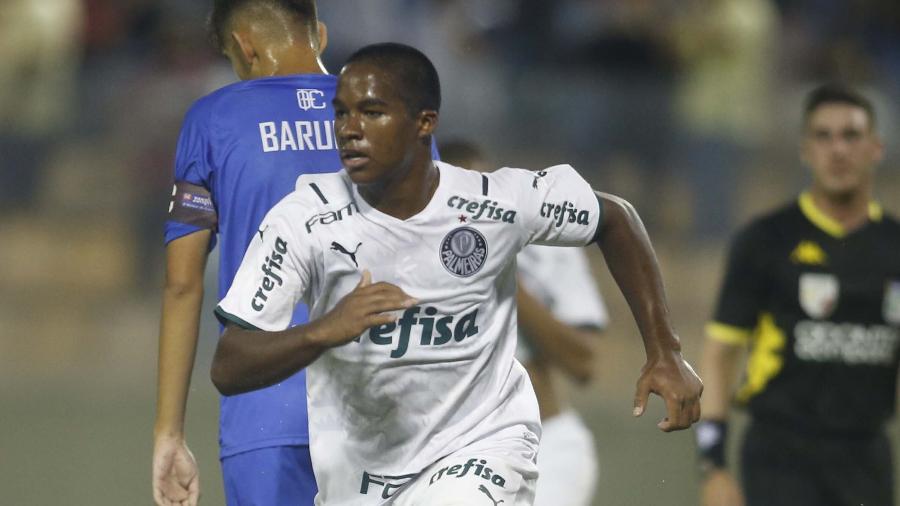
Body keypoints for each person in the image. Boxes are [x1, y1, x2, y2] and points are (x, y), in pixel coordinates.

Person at [212, 42, 702, 505]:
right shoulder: (303, 219)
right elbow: (230, 365)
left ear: (424, 122)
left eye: (372, 112)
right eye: (341, 112)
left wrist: (665, 350)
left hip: (483, 447)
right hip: (360, 473)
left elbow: (615, 218)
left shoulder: (495, 203)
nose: (349, 129)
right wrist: (323, 331)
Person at [153, 1, 337, 504]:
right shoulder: (390, 111)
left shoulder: (214, 119)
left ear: (246, 47)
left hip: (267, 410)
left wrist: (169, 433)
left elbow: (183, 282)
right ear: (318, 35)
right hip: (390, 413)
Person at [696, 83, 900, 506]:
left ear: (876, 148)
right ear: (805, 150)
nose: (837, 150)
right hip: (781, 453)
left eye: (851, 135)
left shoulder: (894, 245)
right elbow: (720, 353)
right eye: (823, 137)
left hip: (867, 455)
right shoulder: (766, 240)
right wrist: (712, 465)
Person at [441, 140, 605, 505]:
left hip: (545, 446)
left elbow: (584, 363)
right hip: (446, 456)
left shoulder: (544, 247)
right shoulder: (406, 256)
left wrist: (505, 274)